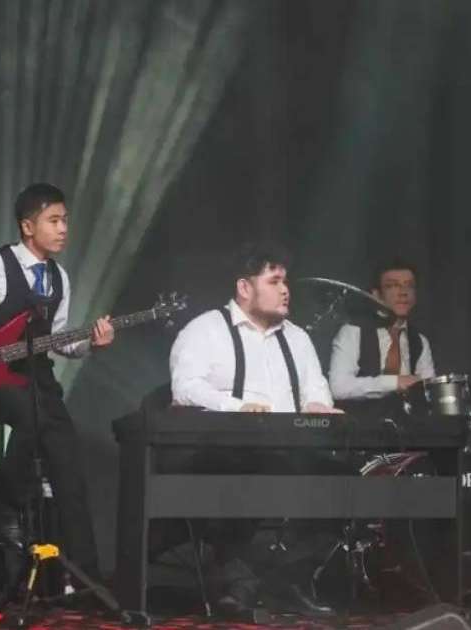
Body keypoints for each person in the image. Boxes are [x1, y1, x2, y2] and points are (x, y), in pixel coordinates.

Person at [0, 182, 114, 581]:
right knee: (33, 419)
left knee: (68, 459)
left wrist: (91, 345)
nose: (64, 228)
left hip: (37, 377)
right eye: (54, 220)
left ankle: (85, 574)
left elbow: (61, 339)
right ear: (28, 226)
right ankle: (9, 506)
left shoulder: (59, 277)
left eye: (65, 221)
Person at [168, 241, 341, 617]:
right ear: (245, 288)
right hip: (221, 454)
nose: (286, 289)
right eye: (275, 280)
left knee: (345, 480)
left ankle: (285, 578)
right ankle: (239, 585)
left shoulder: (298, 337)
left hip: (288, 451)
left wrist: (317, 406)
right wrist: (238, 407)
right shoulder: (205, 330)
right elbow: (185, 387)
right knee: (242, 470)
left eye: (286, 281)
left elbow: (316, 387)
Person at [328, 258, 435, 412]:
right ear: (376, 294)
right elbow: (338, 387)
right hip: (360, 428)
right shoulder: (353, 331)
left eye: (409, 286)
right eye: (393, 286)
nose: (403, 293)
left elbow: (429, 391)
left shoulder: (419, 341)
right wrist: (395, 382)